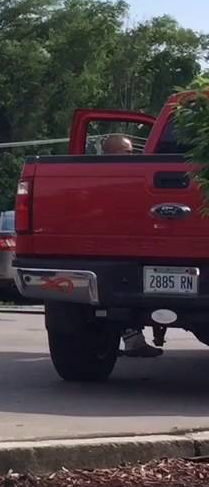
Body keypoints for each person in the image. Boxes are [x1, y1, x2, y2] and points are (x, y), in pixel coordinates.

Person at [100, 133, 163, 357]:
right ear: (116, 153)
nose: (132, 155)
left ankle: (116, 343)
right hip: (119, 246)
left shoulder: (98, 175)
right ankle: (130, 340)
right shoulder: (121, 176)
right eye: (128, 151)